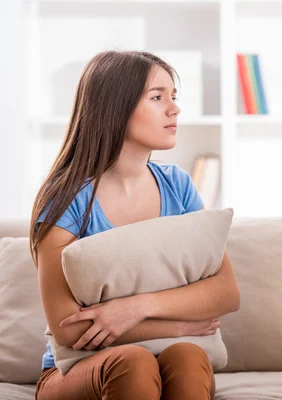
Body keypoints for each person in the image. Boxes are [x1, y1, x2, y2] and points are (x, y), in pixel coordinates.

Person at [30, 50, 240, 400]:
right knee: (134, 362)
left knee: (188, 356)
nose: (174, 108)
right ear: (115, 107)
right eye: (158, 98)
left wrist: (135, 308)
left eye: (174, 97)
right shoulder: (67, 197)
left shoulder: (179, 186)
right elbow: (67, 329)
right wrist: (182, 324)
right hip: (75, 371)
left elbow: (226, 292)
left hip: (170, 355)